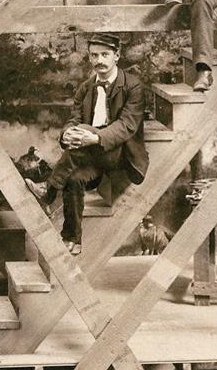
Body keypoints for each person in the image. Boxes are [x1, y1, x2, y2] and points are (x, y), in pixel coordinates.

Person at [41, 35, 149, 256]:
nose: (99, 60)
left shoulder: (133, 86)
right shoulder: (85, 87)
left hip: (120, 153)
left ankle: (48, 190)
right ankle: (72, 238)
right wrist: (67, 134)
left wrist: (95, 138)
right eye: (94, 55)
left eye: (105, 55)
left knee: (85, 130)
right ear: (89, 58)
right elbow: (74, 118)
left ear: (116, 56)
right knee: (73, 180)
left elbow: (126, 126)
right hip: (89, 154)